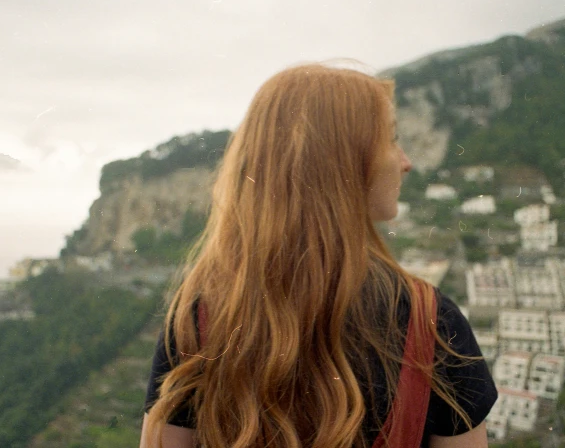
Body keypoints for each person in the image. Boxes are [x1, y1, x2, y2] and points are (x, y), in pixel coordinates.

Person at [141, 63, 497, 448]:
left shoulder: (202, 316)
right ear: (343, 162)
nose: (406, 161)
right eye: (391, 139)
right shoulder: (432, 325)